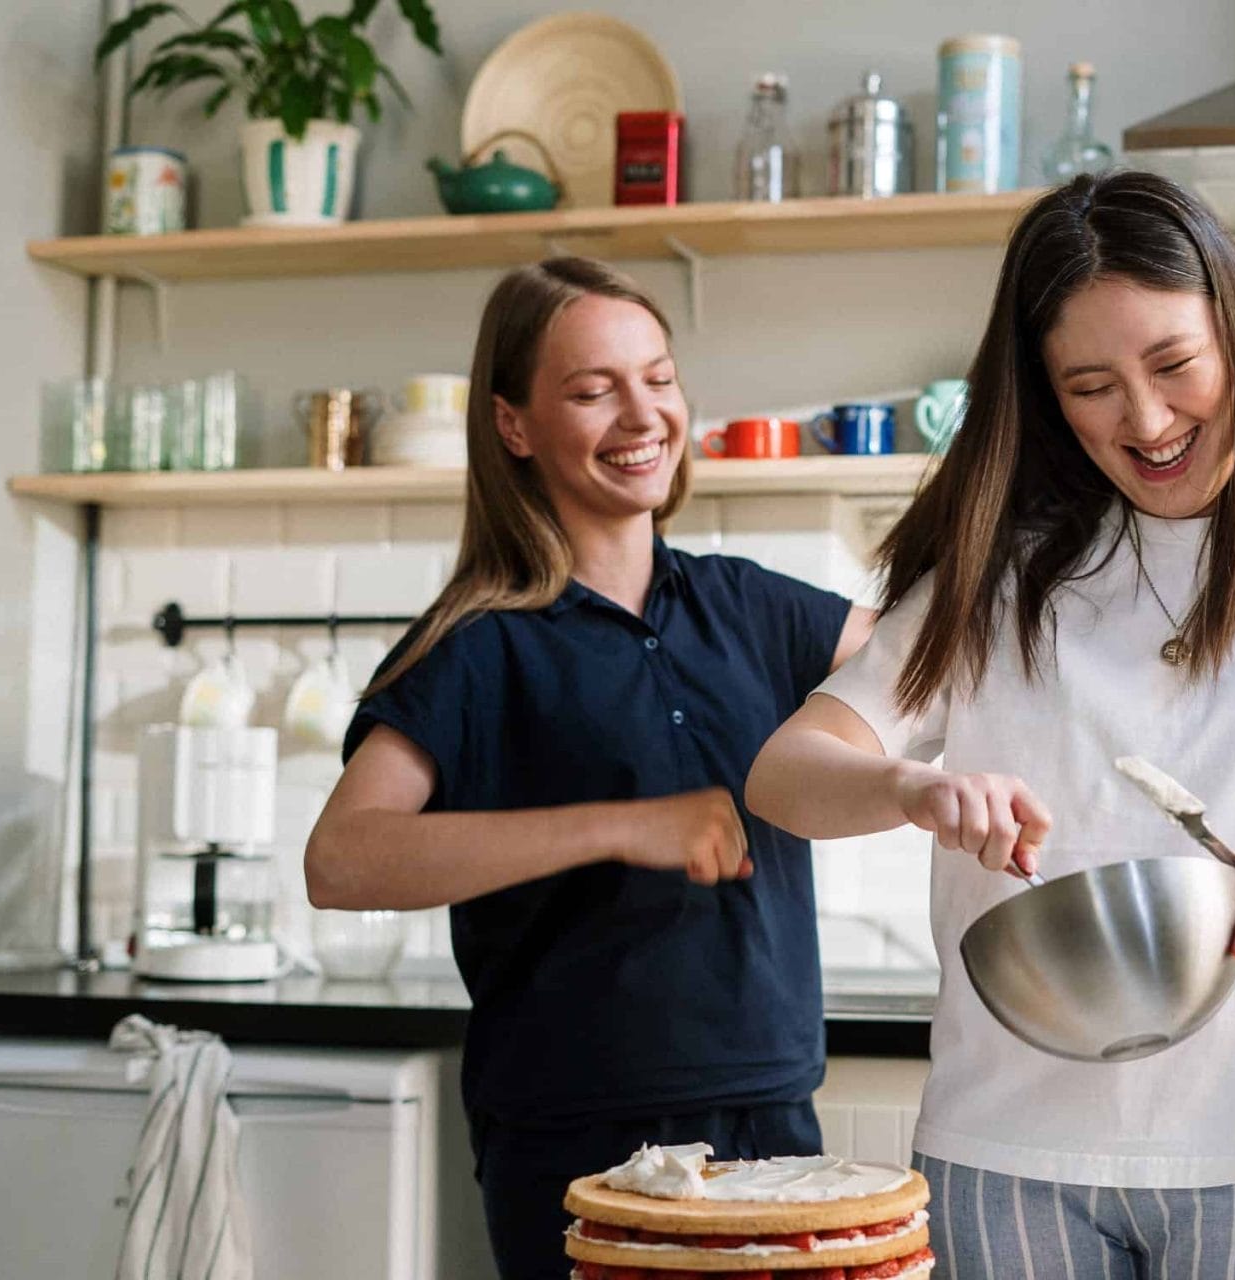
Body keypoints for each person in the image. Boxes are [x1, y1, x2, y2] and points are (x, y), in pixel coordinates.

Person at [746, 171, 1235, 1277]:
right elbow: (786, 774)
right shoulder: (1002, 569)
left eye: (1173, 365)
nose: (1147, 422)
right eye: (1092, 385)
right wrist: (908, 789)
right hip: (1008, 1150)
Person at [305, 257, 872, 1280]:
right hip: (576, 1144)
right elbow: (342, 859)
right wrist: (623, 822)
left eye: (657, 377)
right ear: (514, 424)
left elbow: (946, 660)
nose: (641, 412)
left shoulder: (751, 606)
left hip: (773, 1118)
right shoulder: (474, 644)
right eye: (591, 388)